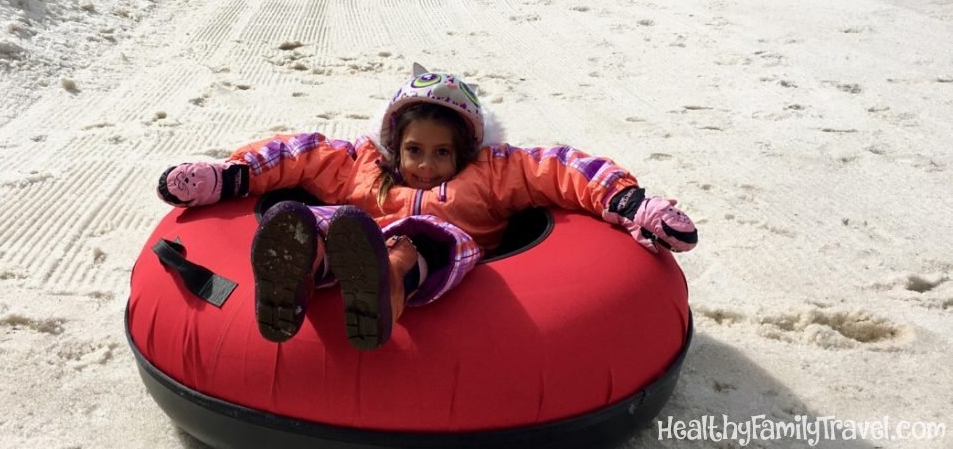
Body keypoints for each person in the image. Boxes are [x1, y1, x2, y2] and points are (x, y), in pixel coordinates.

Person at [157, 64, 697, 350]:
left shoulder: (492, 174)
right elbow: (294, 156)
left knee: (420, 240)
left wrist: (632, 203)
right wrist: (227, 176)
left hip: (440, 254)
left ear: (463, 151)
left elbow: (563, 169)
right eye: (415, 151)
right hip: (355, 233)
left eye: (443, 154)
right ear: (396, 144)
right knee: (326, 221)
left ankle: (385, 288)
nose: (426, 166)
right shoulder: (360, 167)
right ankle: (301, 268)